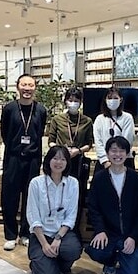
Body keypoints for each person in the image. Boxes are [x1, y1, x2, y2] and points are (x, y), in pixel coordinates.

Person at [85, 136, 138, 274]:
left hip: (130, 234)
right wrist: (100, 230)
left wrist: (133, 236)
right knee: (96, 251)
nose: (117, 154)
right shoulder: (100, 178)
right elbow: (93, 207)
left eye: (121, 151)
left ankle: (124, 259)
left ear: (127, 154)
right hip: (109, 233)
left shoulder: (136, 179)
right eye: (114, 151)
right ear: (107, 153)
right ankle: (111, 261)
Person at [0, 74, 47, 251]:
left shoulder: (41, 110)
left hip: (33, 159)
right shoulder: (9, 109)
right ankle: (10, 235)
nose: (27, 88)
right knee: (9, 197)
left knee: (31, 197)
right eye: (24, 84)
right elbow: (4, 132)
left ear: (35, 88)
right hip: (13, 157)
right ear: (18, 87)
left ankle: (26, 233)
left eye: (31, 85)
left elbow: (40, 132)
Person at [26, 146, 82, 274]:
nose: (59, 162)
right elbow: (33, 216)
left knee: (72, 250)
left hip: (62, 234)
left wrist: (58, 238)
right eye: (55, 158)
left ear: (67, 162)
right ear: (48, 161)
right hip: (41, 235)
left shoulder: (73, 183)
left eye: (63, 159)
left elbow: (71, 216)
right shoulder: (36, 183)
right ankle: (41, 263)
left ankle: (58, 265)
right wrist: (45, 244)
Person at [48, 87, 93, 235]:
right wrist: (61, 151)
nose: (73, 103)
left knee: (76, 196)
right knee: (58, 194)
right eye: (70, 100)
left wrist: (78, 150)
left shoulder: (87, 121)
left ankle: (74, 230)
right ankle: (55, 228)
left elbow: (89, 144)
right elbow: (51, 141)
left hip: (78, 162)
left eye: (76, 100)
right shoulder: (57, 119)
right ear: (65, 101)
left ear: (80, 102)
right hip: (60, 162)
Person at [93, 86, 135, 173]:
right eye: (109, 98)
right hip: (105, 162)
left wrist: (118, 157)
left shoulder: (127, 117)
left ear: (121, 100)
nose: (112, 100)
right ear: (105, 100)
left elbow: (127, 140)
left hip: (124, 160)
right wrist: (105, 160)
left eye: (115, 98)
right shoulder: (99, 119)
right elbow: (98, 142)